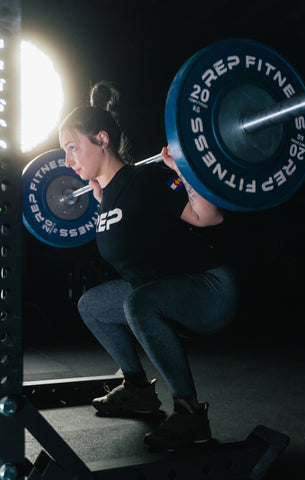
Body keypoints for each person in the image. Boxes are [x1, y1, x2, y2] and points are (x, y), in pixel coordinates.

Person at [59, 81, 238, 450]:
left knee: (136, 303)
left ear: (102, 140)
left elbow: (209, 217)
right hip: (159, 289)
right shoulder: (106, 196)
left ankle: (190, 414)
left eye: (73, 148)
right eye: (65, 152)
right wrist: (102, 197)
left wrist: (184, 170)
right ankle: (138, 389)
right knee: (91, 305)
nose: (67, 161)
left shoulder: (149, 179)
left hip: (209, 288)